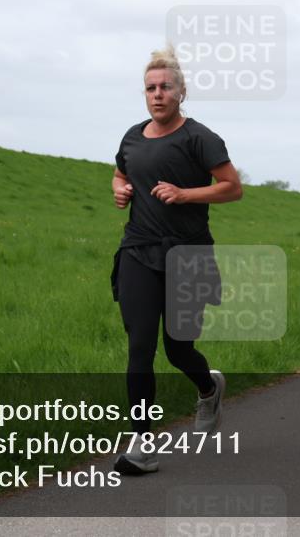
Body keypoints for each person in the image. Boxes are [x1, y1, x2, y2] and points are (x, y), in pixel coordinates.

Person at [110, 45, 242, 475]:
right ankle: (142, 443)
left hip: (188, 256)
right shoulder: (131, 137)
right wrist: (119, 189)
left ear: (181, 91)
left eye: (166, 86)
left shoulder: (200, 138)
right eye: (150, 88)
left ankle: (208, 388)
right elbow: (121, 172)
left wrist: (186, 194)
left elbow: (231, 187)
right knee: (141, 345)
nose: (157, 94)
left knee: (178, 348)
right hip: (138, 251)